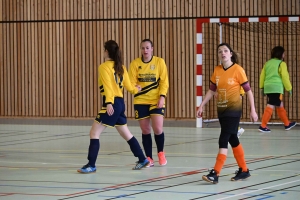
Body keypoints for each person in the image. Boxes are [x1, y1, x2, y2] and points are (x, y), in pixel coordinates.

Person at [77, 40, 149, 173]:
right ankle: (142, 159)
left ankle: (91, 164)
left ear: (107, 51)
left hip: (112, 103)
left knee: (94, 133)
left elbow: (108, 87)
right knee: (126, 133)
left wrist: (109, 102)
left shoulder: (104, 67)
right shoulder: (121, 67)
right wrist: (136, 90)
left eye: (104, 49)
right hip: (121, 103)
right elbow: (129, 87)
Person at [196, 43, 258, 184]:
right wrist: (201, 105)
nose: (222, 53)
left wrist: (252, 109)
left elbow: (248, 91)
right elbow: (212, 90)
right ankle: (244, 170)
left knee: (223, 139)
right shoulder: (217, 70)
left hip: (233, 111)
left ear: (230, 54)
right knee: (232, 139)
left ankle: (215, 173)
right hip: (222, 111)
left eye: (225, 51)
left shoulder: (238, 70)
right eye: (220, 51)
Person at [128, 39, 169, 167]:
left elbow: (164, 81)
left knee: (157, 128)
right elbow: (131, 81)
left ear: (152, 49)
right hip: (140, 100)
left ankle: (161, 153)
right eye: (142, 48)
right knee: (145, 130)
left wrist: (162, 97)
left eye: (147, 48)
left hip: (156, 99)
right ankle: (149, 158)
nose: (145, 50)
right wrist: (135, 87)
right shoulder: (135, 63)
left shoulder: (159, 62)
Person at [259, 46, 296, 133]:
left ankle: (287, 124)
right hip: (276, 88)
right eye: (283, 53)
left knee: (280, 104)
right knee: (271, 104)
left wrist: (262, 87)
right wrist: (289, 88)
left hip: (268, 87)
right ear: (280, 54)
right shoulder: (282, 63)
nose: (284, 55)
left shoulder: (267, 63)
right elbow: (285, 77)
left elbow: (262, 76)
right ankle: (263, 126)